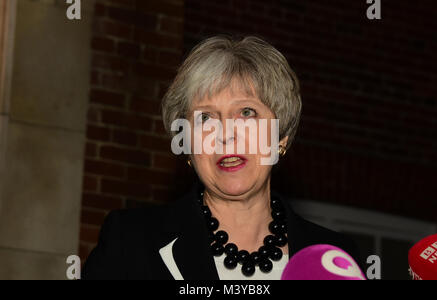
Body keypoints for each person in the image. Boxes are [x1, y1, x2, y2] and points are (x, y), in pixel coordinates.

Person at [82, 35, 360, 280]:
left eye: (247, 112)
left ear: (280, 138)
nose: (226, 134)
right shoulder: (131, 242)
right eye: (206, 118)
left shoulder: (334, 259)